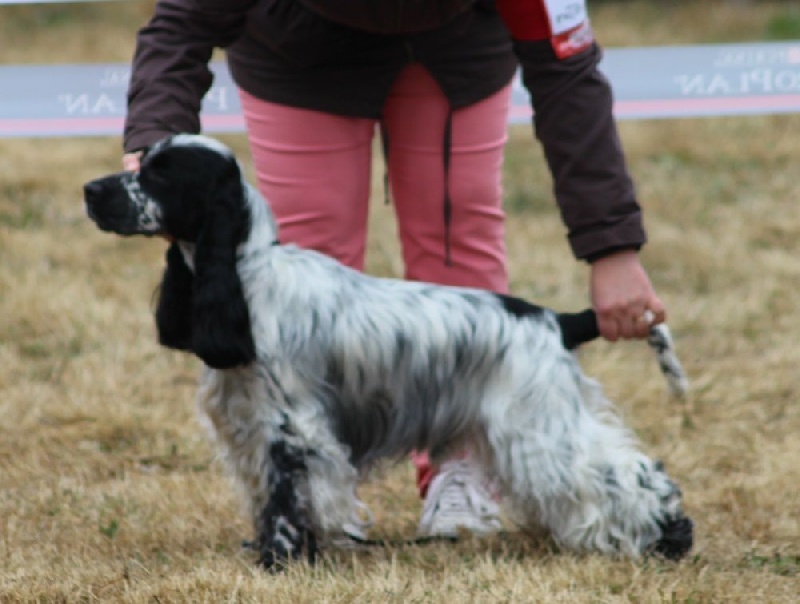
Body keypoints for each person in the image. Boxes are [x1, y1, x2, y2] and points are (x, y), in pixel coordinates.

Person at [121, 0, 667, 540]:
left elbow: (566, 68)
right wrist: (154, 149)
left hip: (457, 49)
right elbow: (183, 21)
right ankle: (306, 502)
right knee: (299, 283)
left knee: (460, 265)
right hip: (298, 47)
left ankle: (465, 472)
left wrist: (613, 248)